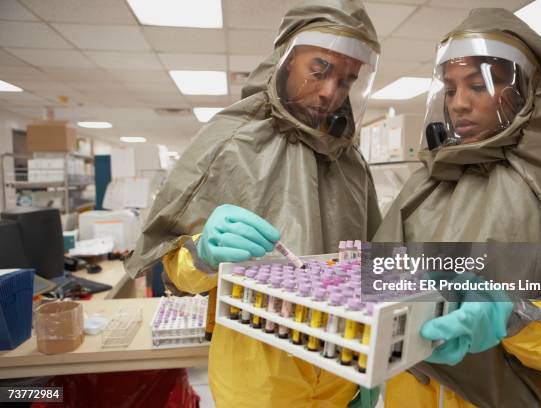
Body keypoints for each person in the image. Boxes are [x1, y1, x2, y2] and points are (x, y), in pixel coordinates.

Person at [125, 1, 382, 406]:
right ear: (287, 58)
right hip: (260, 383)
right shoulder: (230, 142)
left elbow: (370, 265)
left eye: (347, 80)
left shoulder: (350, 163)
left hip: (341, 372)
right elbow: (171, 270)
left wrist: (370, 365)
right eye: (320, 70)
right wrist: (203, 253)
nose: (331, 92)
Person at [373, 8, 541, 407]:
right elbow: (380, 282)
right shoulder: (426, 183)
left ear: (525, 89)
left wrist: (514, 318)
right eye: (450, 89)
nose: (459, 104)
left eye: (478, 86)